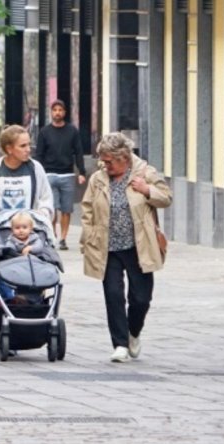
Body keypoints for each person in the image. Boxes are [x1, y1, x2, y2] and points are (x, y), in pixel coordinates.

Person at [79, 132, 172, 363]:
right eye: (103, 160)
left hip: (138, 246)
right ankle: (120, 344)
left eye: (109, 161)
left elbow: (166, 198)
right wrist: (88, 236)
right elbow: (88, 208)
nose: (104, 165)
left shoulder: (145, 173)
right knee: (113, 295)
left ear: (123, 158)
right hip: (107, 246)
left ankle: (133, 332)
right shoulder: (98, 179)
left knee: (141, 298)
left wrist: (147, 190)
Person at [0, 125, 54, 223]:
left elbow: (46, 198)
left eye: (29, 144)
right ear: (9, 149)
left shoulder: (35, 168)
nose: (28, 149)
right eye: (23, 146)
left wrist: (41, 214)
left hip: (29, 233)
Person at [35, 100, 87, 250]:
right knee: (51, 208)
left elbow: (78, 152)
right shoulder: (45, 132)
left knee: (66, 209)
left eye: (60, 110)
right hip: (49, 174)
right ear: (51, 112)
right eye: (54, 110)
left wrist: (81, 172)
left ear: (64, 112)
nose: (57, 112)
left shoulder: (72, 131)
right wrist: (39, 173)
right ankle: (52, 235)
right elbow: (39, 154)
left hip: (67, 175)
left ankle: (63, 238)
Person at [0, 211, 52, 302]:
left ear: (31, 229)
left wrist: (30, 248)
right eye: (17, 228)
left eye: (24, 227)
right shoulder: (11, 240)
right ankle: (10, 298)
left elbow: (39, 247)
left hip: (32, 268)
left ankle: (34, 299)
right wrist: (13, 251)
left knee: (39, 277)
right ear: (12, 230)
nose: (21, 230)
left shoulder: (35, 238)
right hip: (15, 267)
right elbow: (9, 249)